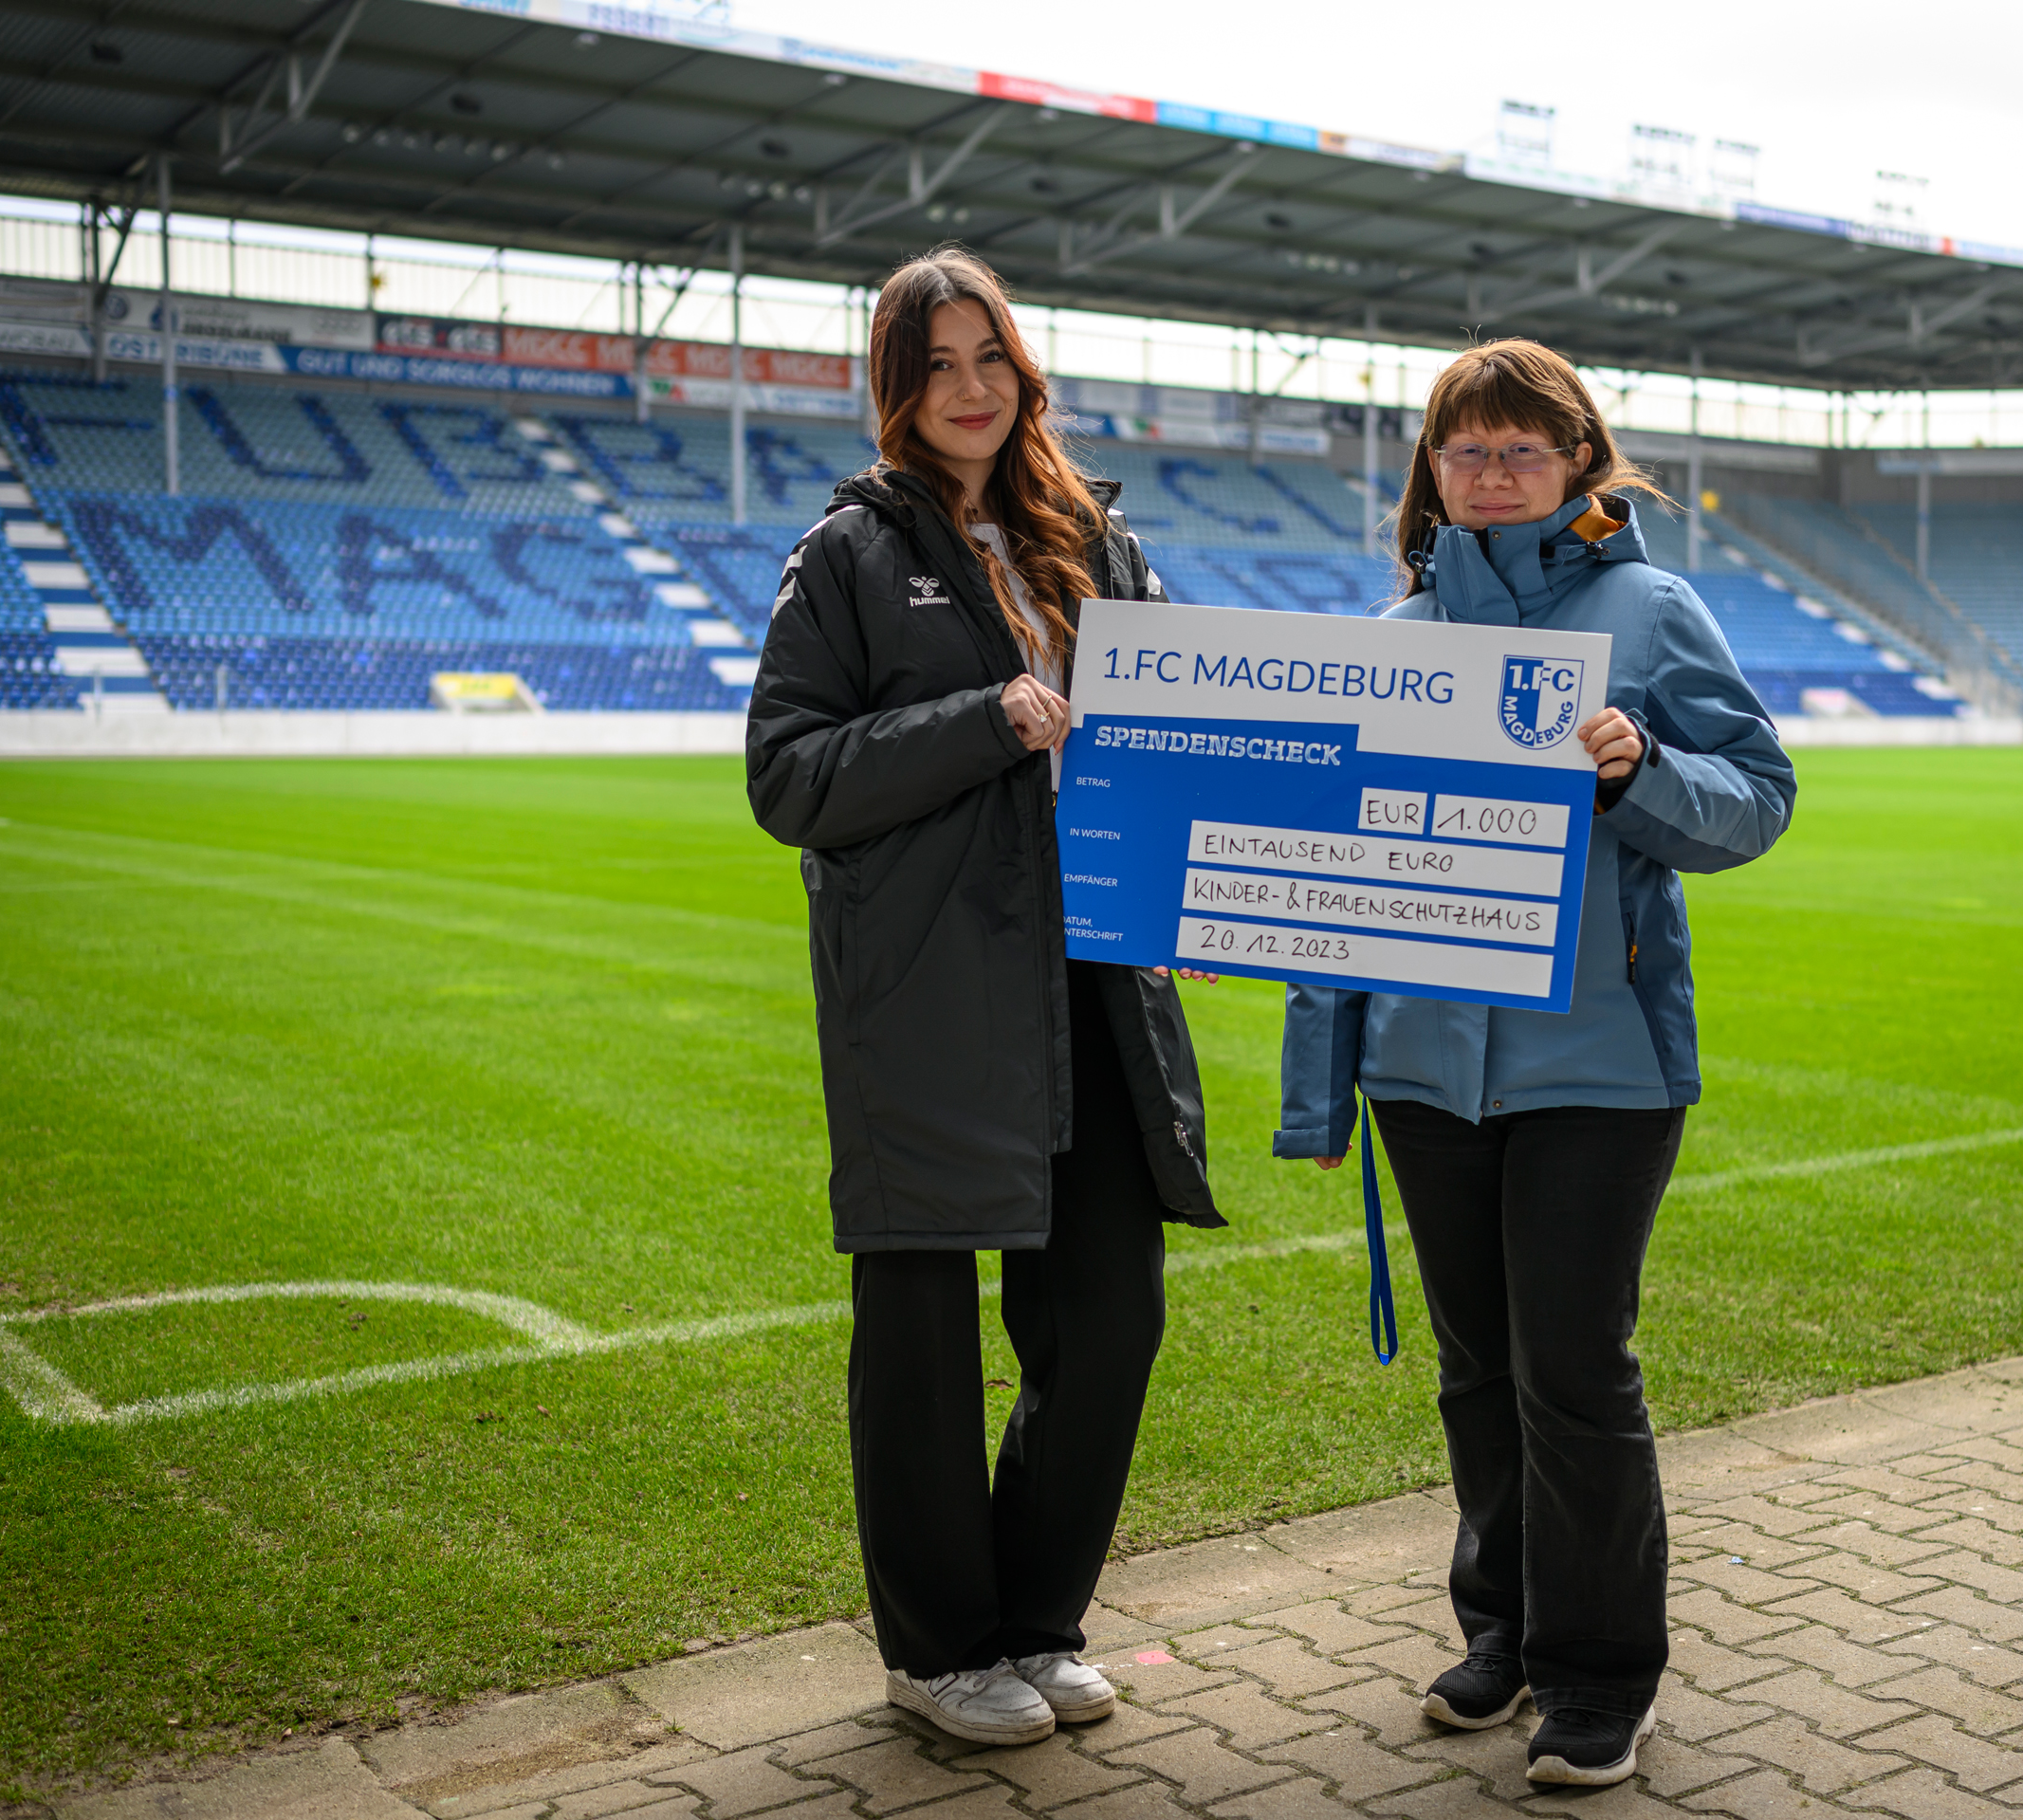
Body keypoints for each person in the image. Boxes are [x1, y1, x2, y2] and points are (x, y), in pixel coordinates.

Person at [1275, 339, 1795, 1787]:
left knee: (1570, 1372)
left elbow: (1759, 797)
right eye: (1467, 448)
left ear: (1579, 461)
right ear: (1432, 470)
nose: (1493, 473)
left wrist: (1643, 775)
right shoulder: (1391, 637)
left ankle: (1601, 1675)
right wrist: (1322, 1086)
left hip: (1600, 1066)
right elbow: (1331, 876)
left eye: (1522, 448)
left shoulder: (1652, 608)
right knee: (1476, 1373)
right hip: (1423, 1075)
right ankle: (1500, 1630)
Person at [747, 247, 1224, 1749]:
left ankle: (1035, 1619)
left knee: (1109, 1319)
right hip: (929, 988)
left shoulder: (1093, 539)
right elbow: (789, 777)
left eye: (990, 358)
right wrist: (985, 718)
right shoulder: (848, 554)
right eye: (938, 364)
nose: (970, 389)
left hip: (1096, 976)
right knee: (922, 1342)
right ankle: (941, 1651)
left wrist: (1201, 887)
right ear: (898, 388)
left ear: (1024, 370)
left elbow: (1181, 733)